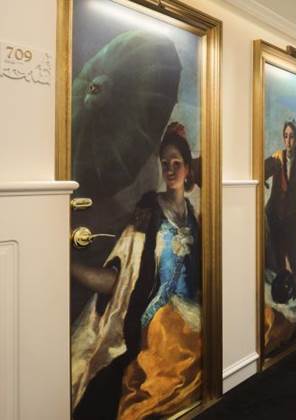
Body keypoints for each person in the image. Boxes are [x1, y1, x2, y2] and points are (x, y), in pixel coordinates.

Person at [70, 122, 201, 420]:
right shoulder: (149, 212)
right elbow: (122, 277)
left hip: (190, 309)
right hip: (157, 315)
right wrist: (70, 267)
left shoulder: (192, 216)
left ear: (187, 169)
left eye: (176, 164)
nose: (170, 170)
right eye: (165, 164)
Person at [264, 119, 296, 294]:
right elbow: (257, 172)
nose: (288, 141)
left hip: (290, 223)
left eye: (291, 137)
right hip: (272, 221)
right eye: (285, 136)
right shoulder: (276, 160)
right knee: (275, 267)